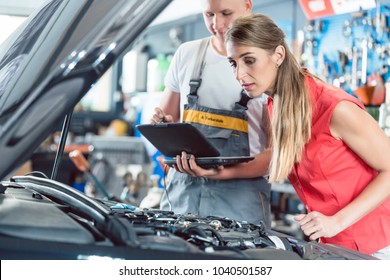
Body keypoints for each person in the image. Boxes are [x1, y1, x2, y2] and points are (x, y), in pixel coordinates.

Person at [224, 13, 390, 259]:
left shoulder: (335, 108)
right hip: (334, 243)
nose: (239, 74)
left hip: (378, 245)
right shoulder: (275, 105)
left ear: (278, 55)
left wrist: (336, 222)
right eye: (234, 63)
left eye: (249, 60)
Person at [150, 0, 272, 226]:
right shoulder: (187, 54)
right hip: (182, 197)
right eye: (209, 15)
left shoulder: (268, 64)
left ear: (247, 6)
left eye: (226, 13)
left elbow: (275, 154)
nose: (218, 24)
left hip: (239, 204)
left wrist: (218, 173)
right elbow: (167, 119)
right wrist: (162, 123)